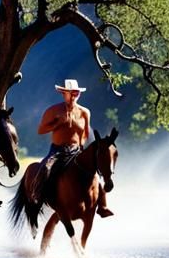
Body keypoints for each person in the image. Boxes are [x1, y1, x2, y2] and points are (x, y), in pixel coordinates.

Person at [35, 78, 113, 218]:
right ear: (63, 93)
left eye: (76, 93)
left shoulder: (85, 112)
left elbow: (85, 134)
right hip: (57, 150)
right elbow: (40, 130)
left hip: (76, 150)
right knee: (45, 168)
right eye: (70, 93)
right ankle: (38, 199)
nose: (73, 96)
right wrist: (56, 124)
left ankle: (102, 206)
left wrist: (80, 146)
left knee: (94, 173)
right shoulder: (53, 111)